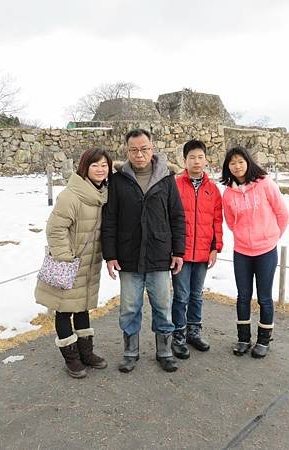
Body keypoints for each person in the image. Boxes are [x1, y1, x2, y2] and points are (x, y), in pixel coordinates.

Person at [102, 128, 185, 373]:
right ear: (127, 151)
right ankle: (130, 351)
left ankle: (165, 350)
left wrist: (178, 251)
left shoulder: (166, 179)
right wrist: (110, 255)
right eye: (134, 150)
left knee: (162, 305)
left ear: (153, 149)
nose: (140, 154)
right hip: (128, 256)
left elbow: (177, 217)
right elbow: (110, 220)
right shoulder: (118, 180)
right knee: (129, 307)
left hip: (160, 254)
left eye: (144, 149)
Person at [35, 148, 112, 378]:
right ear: (85, 168)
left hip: (90, 264)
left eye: (104, 165)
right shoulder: (71, 196)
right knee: (63, 309)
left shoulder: (103, 195)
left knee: (82, 306)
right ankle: (71, 358)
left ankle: (86, 353)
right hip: (70, 263)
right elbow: (55, 228)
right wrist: (66, 257)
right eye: (95, 165)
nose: (100, 169)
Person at [220, 146, 289, 358]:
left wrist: (270, 237)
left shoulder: (265, 184)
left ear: (248, 162)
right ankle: (243, 338)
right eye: (232, 163)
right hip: (242, 251)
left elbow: (282, 213)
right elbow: (231, 222)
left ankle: (264, 340)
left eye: (240, 161)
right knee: (243, 296)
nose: (237, 166)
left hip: (266, 251)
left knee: (265, 297)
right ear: (228, 167)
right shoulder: (228, 193)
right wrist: (244, 237)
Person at [171, 139, 223, 359]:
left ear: (206, 159)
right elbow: (169, 218)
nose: (196, 161)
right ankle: (178, 335)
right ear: (185, 160)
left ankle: (194, 331)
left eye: (200, 157)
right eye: (192, 157)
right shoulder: (174, 184)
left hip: (203, 252)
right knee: (181, 295)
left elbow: (217, 221)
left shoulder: (213, 190)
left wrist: (215, 248)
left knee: (196, 295)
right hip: (181, 253)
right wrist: (173, 250)